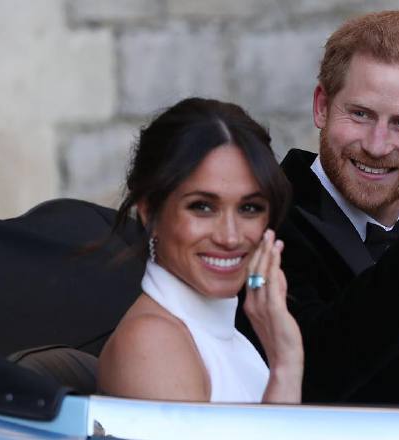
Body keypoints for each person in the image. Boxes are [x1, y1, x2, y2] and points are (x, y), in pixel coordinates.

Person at [236, 11, 399, 406]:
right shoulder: (265, 222)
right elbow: (315, 378)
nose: (377, 145)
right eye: (360, 114)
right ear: (322, 106)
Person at [98, 98, 303, 403]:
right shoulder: (152, 343)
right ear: (149, 211)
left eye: (249, 208)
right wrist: (286, 367)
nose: (230, 237)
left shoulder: (226, 337)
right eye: (203, 207)